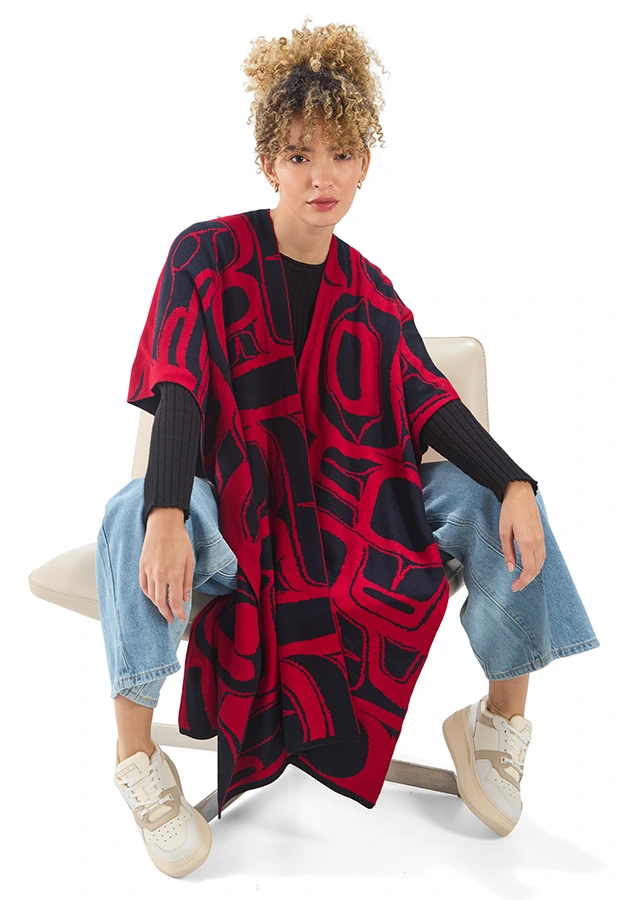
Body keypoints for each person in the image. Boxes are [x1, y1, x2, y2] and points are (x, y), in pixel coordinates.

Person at [95, 19, 600, 877]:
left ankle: (497, 721)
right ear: (268, 162)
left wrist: (516, 481)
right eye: (299, 155)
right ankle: (137, 758)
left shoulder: (370, 291)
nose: (320, 176)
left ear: (365, 162)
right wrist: (168, 510)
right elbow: (178, 382)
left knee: (500, 501)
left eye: (339, 154)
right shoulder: (206, 254)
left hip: (342, 509)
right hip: (232, 501)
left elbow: (427, 400)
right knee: (128, 513)